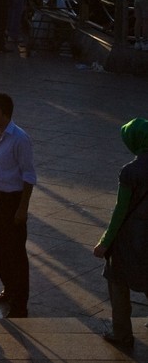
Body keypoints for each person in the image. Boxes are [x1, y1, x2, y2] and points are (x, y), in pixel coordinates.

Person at [92, 117, 147, 353]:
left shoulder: (129, 172)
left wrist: (105, 242)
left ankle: (122, 334)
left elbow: (120, 210)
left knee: (117, 282)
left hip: (130, 238)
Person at [0, 92, 35, 318]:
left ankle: (20, 303)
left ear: (6, 113)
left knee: (16, 254)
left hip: (13, 200)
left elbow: (29, 176)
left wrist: (22, 208)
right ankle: (8, 289)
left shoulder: (20, 139)